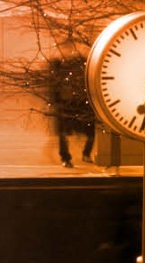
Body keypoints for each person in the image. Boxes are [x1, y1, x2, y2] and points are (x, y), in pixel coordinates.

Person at [49, 39, 94, 168]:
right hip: (74, 103)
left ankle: (68, 158)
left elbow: (54, 86)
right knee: (84, 132)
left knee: (66, 133)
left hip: (69, 103)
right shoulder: (80, 64)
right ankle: (82, 154)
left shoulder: (61, 66)